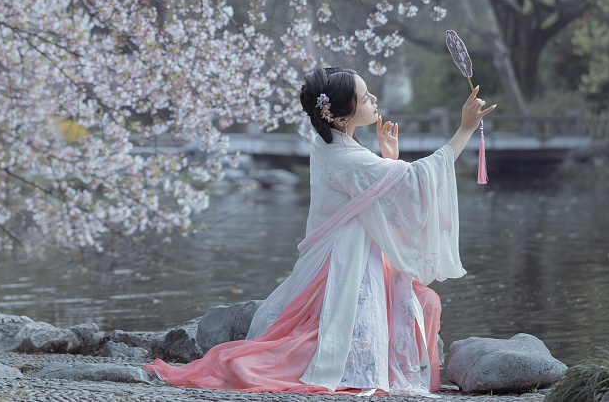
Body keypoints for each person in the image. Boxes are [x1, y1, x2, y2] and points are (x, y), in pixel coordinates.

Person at [147, 66, 495, 395]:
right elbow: (417, 178)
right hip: (346, 266)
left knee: (424, 302)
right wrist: (465, 129)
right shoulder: (349, 157)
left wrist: (387, 160)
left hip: (340, 257)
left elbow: (372, 189)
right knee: (398, 313)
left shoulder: (327, 144)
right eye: (365, 97)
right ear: (341, 118)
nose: (374, 99)